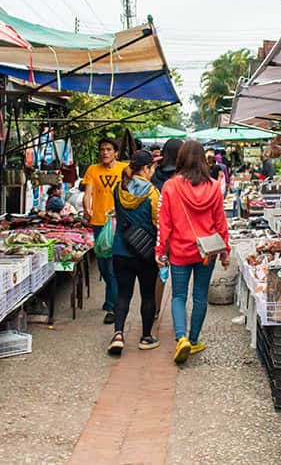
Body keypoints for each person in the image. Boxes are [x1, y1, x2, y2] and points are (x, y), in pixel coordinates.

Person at [156, 140, 230, 364]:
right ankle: (195, 339)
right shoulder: (213, 187)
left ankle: (181, 338)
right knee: (200, 297)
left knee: (178, 296)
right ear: (203, 160)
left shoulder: (170, 186)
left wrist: (160, 250)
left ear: (180, 159)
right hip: (207, 252)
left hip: (180, 250)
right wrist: (225, 250)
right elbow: (220, 222)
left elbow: (164, 223)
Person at [107, 150, 162, 355]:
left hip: (121, 250)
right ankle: (146, 337)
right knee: (147, 295)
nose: (153, 171)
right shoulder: (152, 192)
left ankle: (118, 334)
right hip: (145, 252)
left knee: (123, 294)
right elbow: (158, 223)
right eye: (152, 167)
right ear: (146, 168)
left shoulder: (118, 188)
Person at [83, 138, 128, 324]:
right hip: (99, 223)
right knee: (102, 265)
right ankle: (114, 297)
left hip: (118, 224)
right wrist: (87, 208)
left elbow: (129, 192)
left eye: (109, 149)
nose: (105, 153)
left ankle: (113, 305)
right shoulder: (93, 170)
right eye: (102, 149)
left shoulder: (125, 169)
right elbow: (88, 193)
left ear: (116, 152)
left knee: (111, 267)